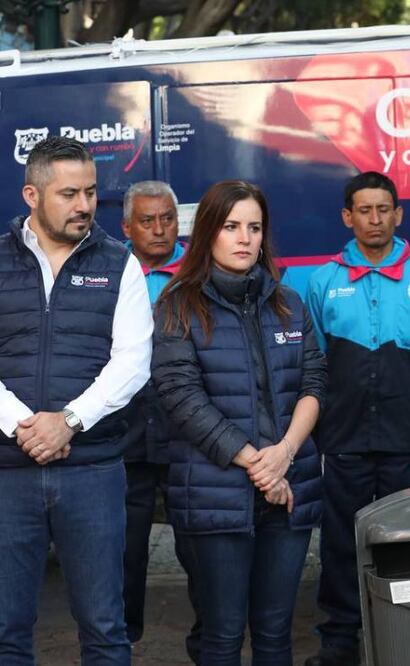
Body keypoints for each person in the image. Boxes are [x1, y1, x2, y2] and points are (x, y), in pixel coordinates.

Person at [152, 180, 327, 665]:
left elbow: (314, 384)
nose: (245, 238)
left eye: (254, 227)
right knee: (223, 636)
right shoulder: (177, 305)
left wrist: (285, 455)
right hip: (216, 495)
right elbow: (181, 398)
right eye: (231, 226)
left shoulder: (289, 302)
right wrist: (259, 466)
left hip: (289, 490)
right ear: (208, 232)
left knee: (275, 634)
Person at [0, 136, 153, 664]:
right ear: (32, 195)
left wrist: (68, 421)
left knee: (105, 629)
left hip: (92, 471)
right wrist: (23, 425)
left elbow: (133, 362)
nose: (85, 205)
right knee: (5, 631)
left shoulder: (119, 264)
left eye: (89, 191)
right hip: (7, 474)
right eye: (68, 193)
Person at [303, 172, 410, 666]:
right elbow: (315, 363)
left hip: (409, 437)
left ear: (398, 214)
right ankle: (340, 641)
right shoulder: (322, 282)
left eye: (384, 209)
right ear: (348, 217)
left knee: (409, 543)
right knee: (342, 542)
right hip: (343, 439)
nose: (375, 219)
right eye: (364, 210)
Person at [118, 180, 202, 663]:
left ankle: (210, 639)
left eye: (167, 219)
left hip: (187, 434)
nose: (158, 229)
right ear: (126, 227)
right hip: (125, 435)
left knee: (198, 548)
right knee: (123, 550)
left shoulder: (200, 271)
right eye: (146, 221)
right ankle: (122, 639)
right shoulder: (112, 272)